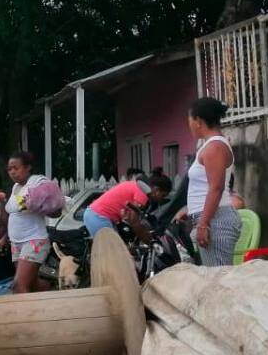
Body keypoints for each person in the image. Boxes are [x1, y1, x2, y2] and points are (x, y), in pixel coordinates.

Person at [183, 97, 241, 266]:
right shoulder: (209, 145)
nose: (189, 125)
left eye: (190, 120)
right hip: (211, 219)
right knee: (216, 282)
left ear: (198, 121)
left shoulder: (214, 147)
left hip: (215, 220)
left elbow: (216, 188)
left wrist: (203, 224)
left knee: (220, 282)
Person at [0, 151, 51, 294]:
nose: (12, 172)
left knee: (19, 285)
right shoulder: (16, 188)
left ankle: (25, 316)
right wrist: (2, 202)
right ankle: (52, 291)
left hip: (34, 241)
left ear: (28, 167)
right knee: (32, 284)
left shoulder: (36, 183)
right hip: (17, 243)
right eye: (9, 169)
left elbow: (45, 205)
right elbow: (10, 217)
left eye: (16, 168)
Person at [84, 175, 173, 243]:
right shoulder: (142, 193)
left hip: (97, 215)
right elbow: (134, 221)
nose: (161, 199)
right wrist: (148, 240)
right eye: (163, 195)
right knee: (113, 253)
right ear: (157, 190)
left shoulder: (137, 186)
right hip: (99, 216)